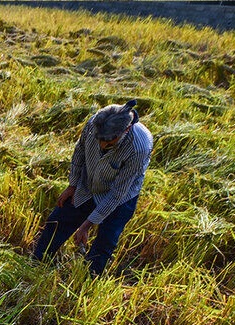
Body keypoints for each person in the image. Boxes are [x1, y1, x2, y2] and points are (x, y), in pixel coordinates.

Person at [31, 99, 153, 276]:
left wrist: (87, 225)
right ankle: (36, 264)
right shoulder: (94, 123)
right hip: (88, 184)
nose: (103, 146)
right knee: (57, 221)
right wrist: (72, 185)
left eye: (110, 143)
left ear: (125, 130)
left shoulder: (139, 146)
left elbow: (117, 193)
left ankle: (87, 279)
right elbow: (79, 151)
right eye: (100, 141)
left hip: (120, 197)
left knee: (105, 241)